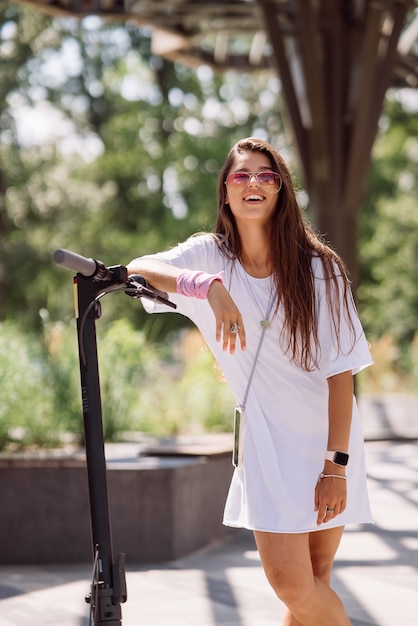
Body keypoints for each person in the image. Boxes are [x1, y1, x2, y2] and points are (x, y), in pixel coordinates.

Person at [127, 137, 373, 626]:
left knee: (312, 582)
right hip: (265, 443)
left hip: (327, 443)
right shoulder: (208, 258)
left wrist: (336, 468)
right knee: (291, 583)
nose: (253, 183)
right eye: (241, 175)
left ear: (281, 191)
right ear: (225, 191)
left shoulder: (320, 270)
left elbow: (341, 376)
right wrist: (206, 286)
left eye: (266, 175)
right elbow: (137, 269)